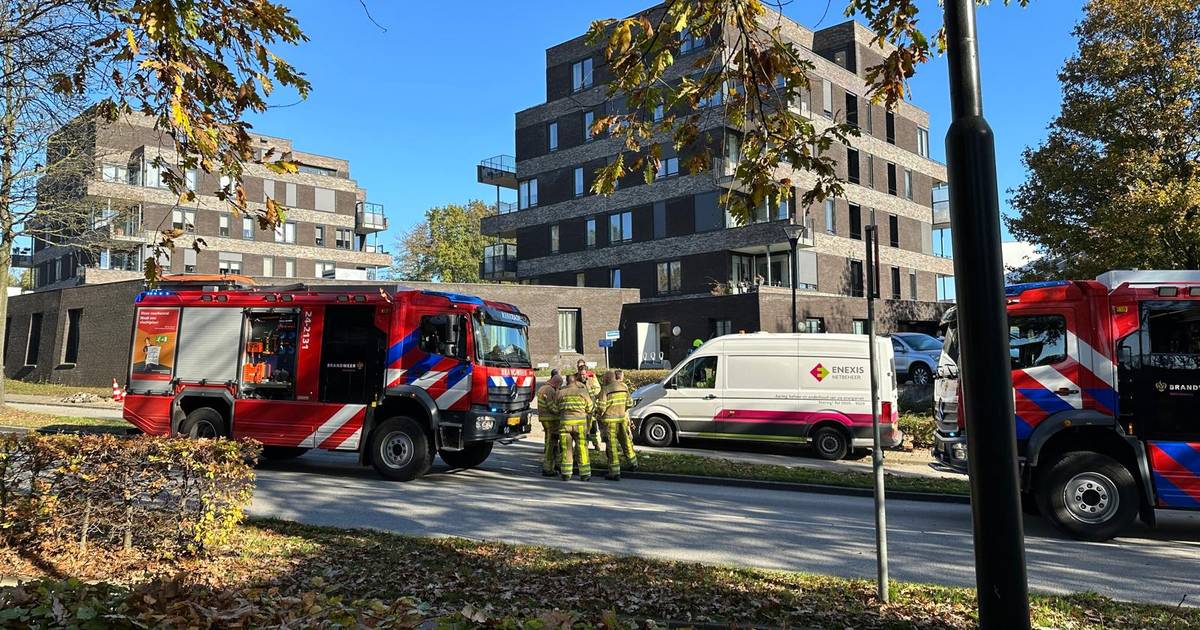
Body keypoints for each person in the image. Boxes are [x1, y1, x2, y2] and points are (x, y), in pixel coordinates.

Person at [595, 370, 638, 480]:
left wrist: (598, 414)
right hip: (621, 419)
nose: (603, 380)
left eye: (604, 378)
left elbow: (601, 407)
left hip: (610, 422)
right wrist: (622, 411)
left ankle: (614, 472)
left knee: (612, 447)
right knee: (626, 442)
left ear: (608, 379)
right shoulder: (623, 387)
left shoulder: (606, 389)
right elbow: (630, 403)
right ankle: (633, 464)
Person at [555, 372, 593, 481]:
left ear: (567, 382)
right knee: (582, 447)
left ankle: (566, 474)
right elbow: (590, 408)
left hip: (565, 424)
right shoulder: (582, 392)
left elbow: (555, 408)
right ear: (575, 381)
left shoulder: (560, 393)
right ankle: (585, 474)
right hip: (580, 424)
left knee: (566, 448)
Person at [535, 370, 563, 477]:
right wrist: (560, 411)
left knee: (548, 442)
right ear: (556, 383)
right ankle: (548, 468)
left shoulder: (543, 388)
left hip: (543, 419)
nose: (559, 388)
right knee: (552, 444)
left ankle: (551, 465)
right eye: (559, 385)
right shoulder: (550, 390)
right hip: (551, 420)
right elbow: (551, 407)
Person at [575, 359, 602, 450]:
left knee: (594, 427)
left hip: (591, 407)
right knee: (582, 429)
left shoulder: (592, 377)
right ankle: (584, 445)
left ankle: (596, 444)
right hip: (581, 409)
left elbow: (597, 389)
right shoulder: (575, 379)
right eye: (579, 367)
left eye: (583, 374)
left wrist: (589, 390)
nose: (582, 376)